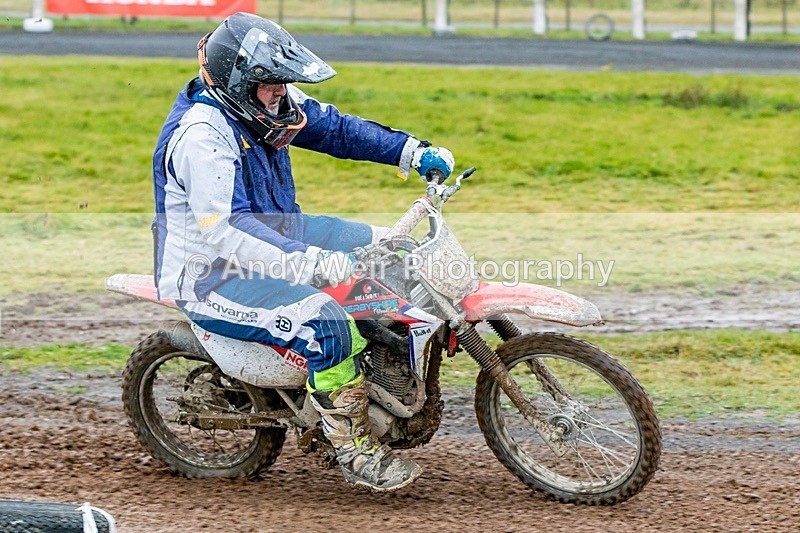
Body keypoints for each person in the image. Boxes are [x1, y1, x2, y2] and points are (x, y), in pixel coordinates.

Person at [151, 12, 454, 492]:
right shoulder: (202, 137)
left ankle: (383, 379)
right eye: (273, 84)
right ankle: (353, 447)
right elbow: (231, 230)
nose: (283, 92)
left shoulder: (267, 108)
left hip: (280, 233)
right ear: (240, 82)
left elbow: (335, 129)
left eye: (283, 83)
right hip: (216, 274)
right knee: (327, 323)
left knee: (399, 251)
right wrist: (317, 265)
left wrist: (412, 152)